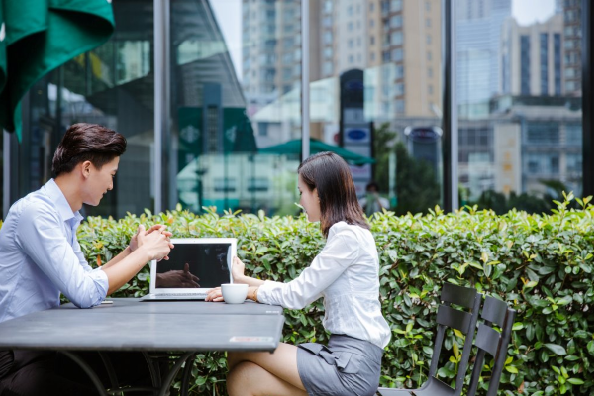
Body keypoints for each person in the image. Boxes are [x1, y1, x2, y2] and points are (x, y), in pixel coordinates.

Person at [0, 123, 173, 396]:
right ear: (88, 168)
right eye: (111, 174)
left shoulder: (61, 217)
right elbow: (84, 293)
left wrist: (130, 251)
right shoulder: (35, 214)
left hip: (44, 345)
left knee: (145, 366)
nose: (112, 185)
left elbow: (86, 279)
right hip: (13, 358)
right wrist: (145, 253)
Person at [206, 151, 391, 396]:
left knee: (241, 348)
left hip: (350, 370)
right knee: (244, 379)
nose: (300, 201)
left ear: (319, 193)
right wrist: (242, 281)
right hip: (344, 360)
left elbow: (297, 295)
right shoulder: (348, 234)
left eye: (301, 192)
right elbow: (299, 287)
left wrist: (246, 292)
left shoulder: (348, 237)